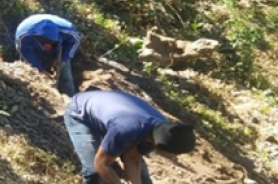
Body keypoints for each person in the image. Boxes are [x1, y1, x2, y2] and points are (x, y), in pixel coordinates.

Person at [65, 90, 196, 184]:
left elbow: (132, 159)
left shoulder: (164, 131)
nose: (174, 158)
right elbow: (101, 164)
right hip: (80, 113)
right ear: (159, 145)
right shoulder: (127, 129)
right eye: (173, 154)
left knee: (142, 176)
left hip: (112, 115)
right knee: (94, 172)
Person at [14, 14, 81, 97]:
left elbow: (75, 42)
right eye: (46, 42)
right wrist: (39, 69)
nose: (48, 45)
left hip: (60, 45)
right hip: (33, 47)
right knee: (32, 72)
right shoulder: (24, 36)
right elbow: (24, 51)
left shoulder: (68, 31)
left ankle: (71, 99)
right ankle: (35, 95)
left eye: (51, 42)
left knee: (65, 76)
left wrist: (64, 59)